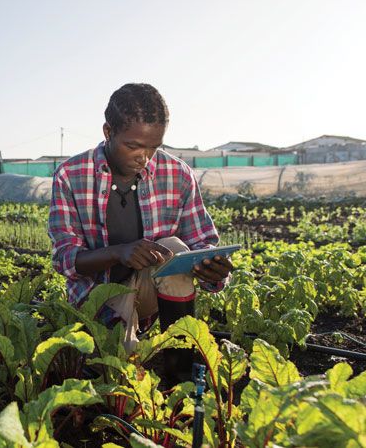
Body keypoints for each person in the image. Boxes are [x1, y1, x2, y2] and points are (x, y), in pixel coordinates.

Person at [48, 83, 233, 382]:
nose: (144, 157)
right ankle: (116, 349)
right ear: (108, 132)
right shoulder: (71, 175)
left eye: (153, 147)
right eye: (133, 146)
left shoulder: (178, 175)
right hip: (96, 300)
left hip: (148, 294)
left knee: (173, 247)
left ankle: (180, 378)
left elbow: (202, 243)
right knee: (114, 378)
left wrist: (212, 270)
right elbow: (65, 259)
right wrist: (117, 252)